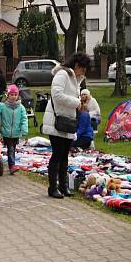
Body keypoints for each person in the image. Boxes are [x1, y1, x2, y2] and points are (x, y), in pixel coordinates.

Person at [42, 52, 91, 198]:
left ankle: (63, 186)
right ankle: (53, 187)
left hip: (68, 122)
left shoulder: (76, 78)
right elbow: (56, 95)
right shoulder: (62, 74)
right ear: (76, 65)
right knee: (57, 155)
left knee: (64, 156)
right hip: (57, 121)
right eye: (83, 69)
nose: (84, 72)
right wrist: (77, 103)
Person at [0, 85, 28, 174]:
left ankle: (11, 166)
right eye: (12, 94)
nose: (13, 96)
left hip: (16, 133)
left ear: (18, 95)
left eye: (15, 94)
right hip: (5, 132)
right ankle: (12, 166)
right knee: (10, 149)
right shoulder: (3, 106)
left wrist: (24, 129)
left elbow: (24, 118)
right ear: (8, 95)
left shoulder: (21, 107)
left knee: (12, 149)